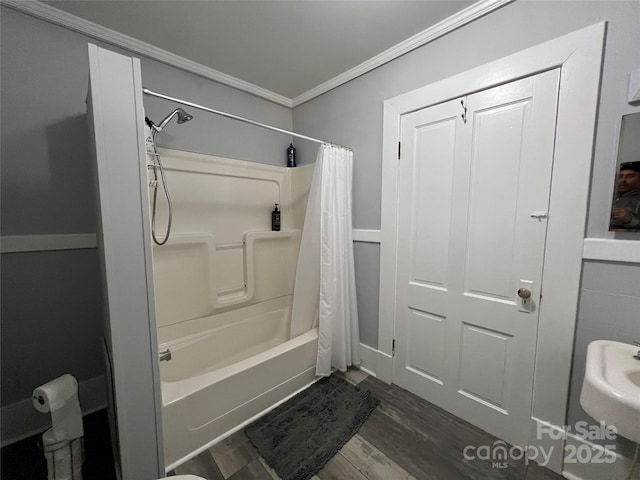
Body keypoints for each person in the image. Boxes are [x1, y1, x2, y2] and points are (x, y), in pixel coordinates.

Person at [610, 161, 640, 231]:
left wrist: (629, 220)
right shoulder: (608, 198)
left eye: (630, 176)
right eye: (620, 176)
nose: (622, 180)